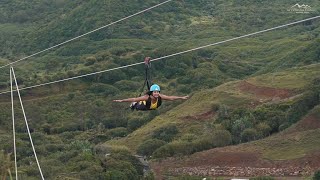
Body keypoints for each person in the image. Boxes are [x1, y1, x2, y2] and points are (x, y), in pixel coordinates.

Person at [113, 84, 189, 111]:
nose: (156, 93)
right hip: (143, 107)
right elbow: (134, 98)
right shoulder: (147, 97)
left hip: (152, 108)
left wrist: (181, 97)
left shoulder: (160, 96)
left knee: (142, 102)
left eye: (157, 92)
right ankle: (133, 105)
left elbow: (171, 98)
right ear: (152, 93)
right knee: (137, 102)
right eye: (155, 92)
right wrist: (122, 100)